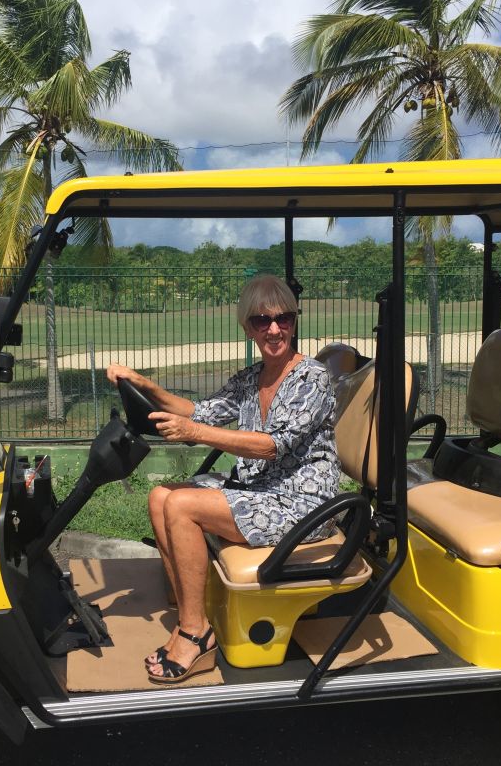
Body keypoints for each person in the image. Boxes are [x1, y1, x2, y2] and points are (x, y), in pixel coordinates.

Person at [106, 274, 340, 684]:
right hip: (262, 490)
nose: (274, 329)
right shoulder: (252, 378)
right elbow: (202, 411)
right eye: (261, 320)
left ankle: (197, 636)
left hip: (303, 503)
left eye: (284, 318)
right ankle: (188, 612)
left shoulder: (312, 379)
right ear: (246, 326)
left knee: (182, 506)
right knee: (160, 495)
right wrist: (145, 385)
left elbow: (273, 445)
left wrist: (194, 434)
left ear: (294, 320)